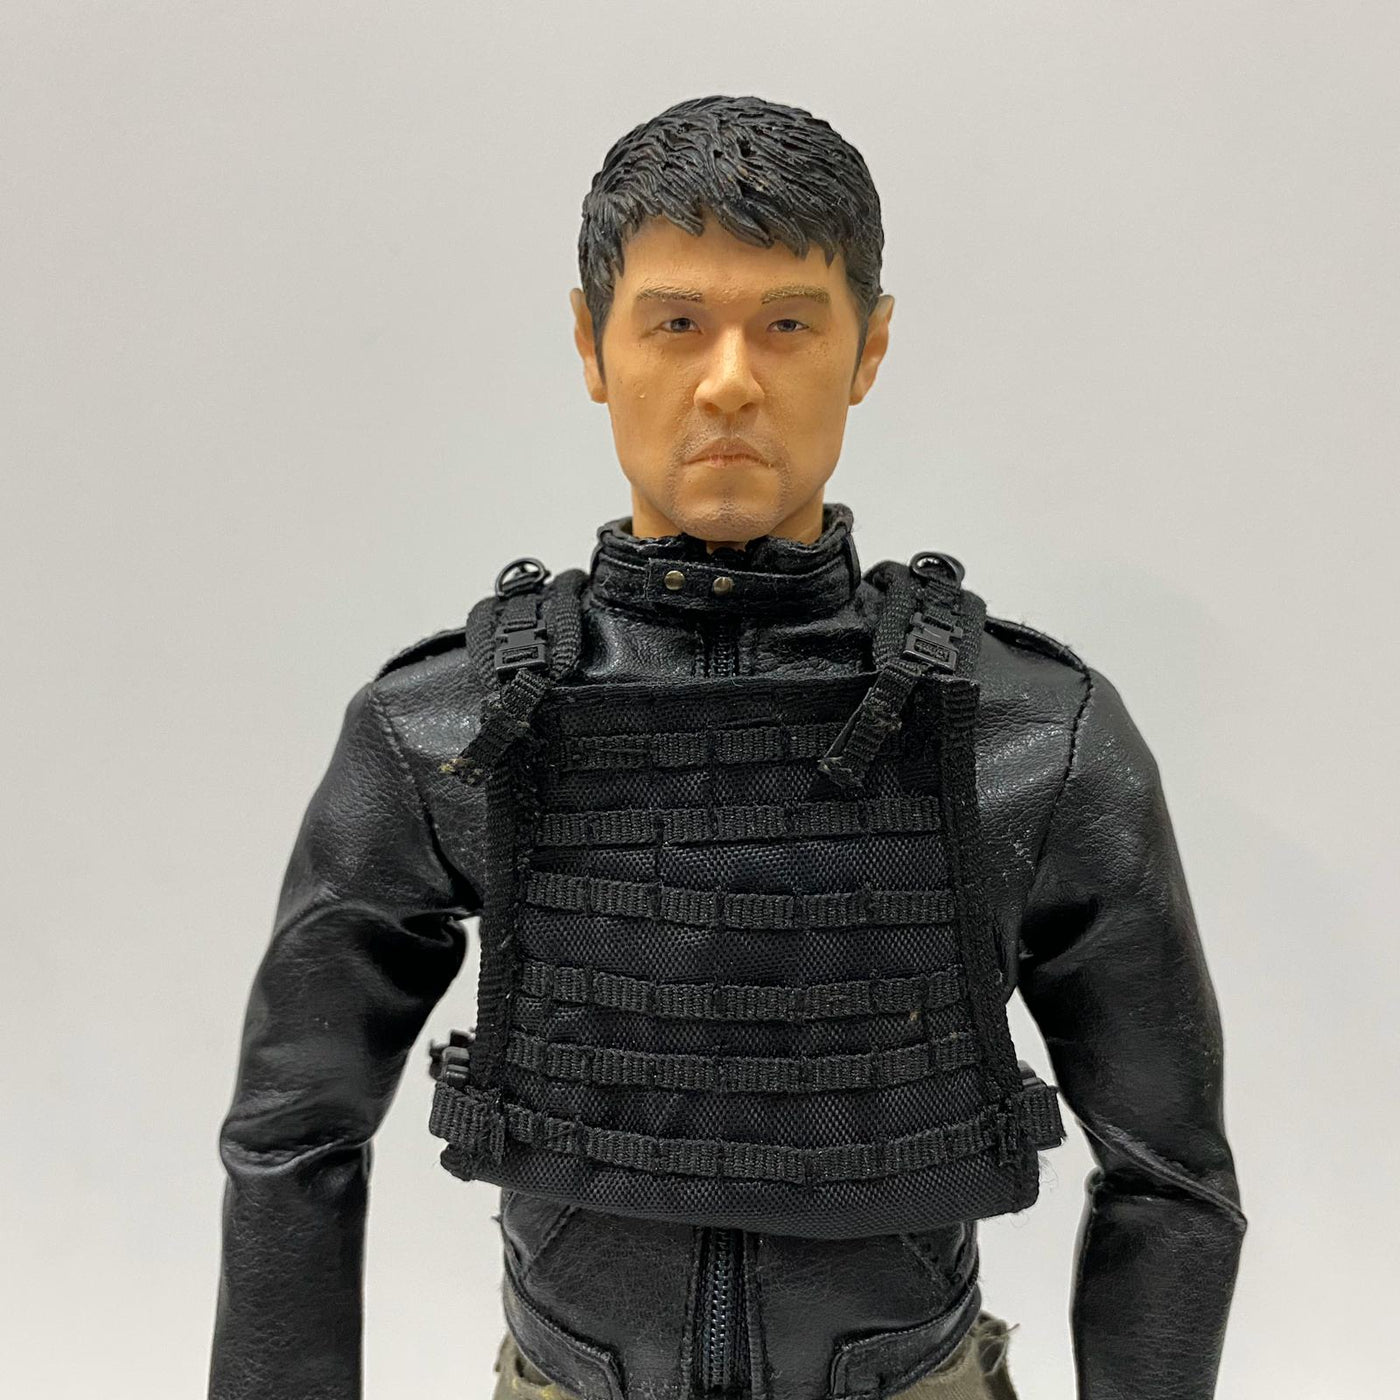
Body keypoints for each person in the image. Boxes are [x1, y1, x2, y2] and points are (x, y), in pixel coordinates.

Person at [210, 95, 1244, 1400]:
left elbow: (1172, 1174)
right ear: (592, 343)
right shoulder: (452, 726)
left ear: (869, 347)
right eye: (677, 324)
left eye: (790, 324)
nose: (731, 380)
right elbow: (294, 1135)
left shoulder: (1029, 731)